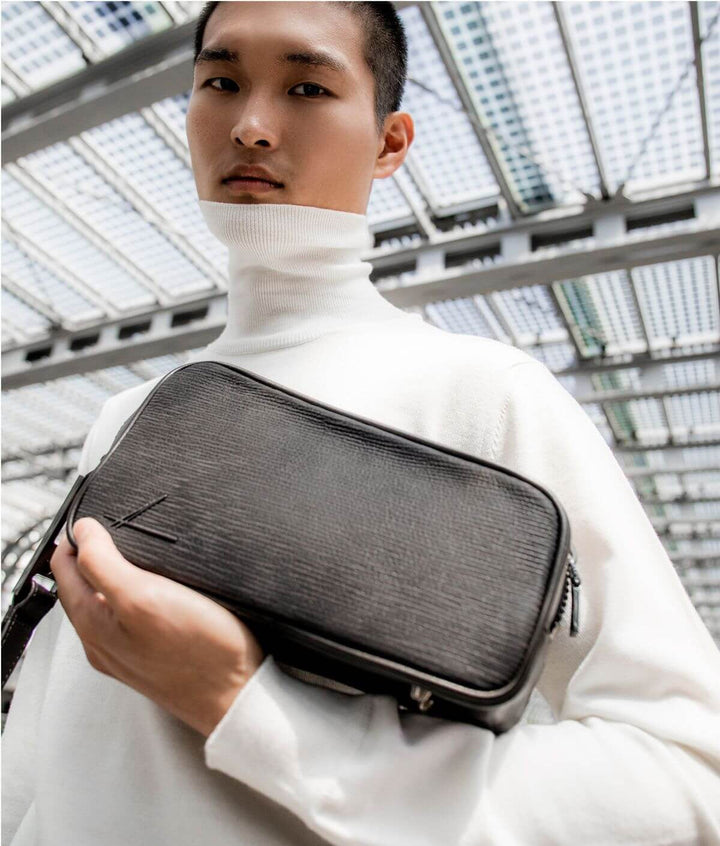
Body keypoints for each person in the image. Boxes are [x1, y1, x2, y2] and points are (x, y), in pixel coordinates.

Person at [3, 2, 720, 843]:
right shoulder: (131, 415)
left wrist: (244, 699)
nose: (253, 126)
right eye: (221, 82)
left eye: (307, 86)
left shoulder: (485, 396)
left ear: (391, 143)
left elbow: (684, 769)